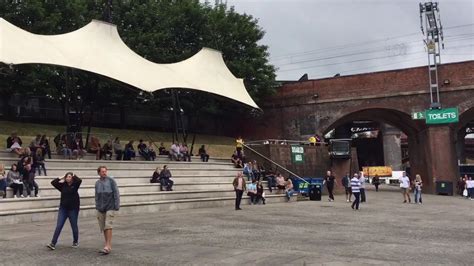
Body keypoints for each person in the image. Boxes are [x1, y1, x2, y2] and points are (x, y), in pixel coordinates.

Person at [47, 172, 82, 250]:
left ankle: (75, 241)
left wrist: (74, 175)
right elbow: (53, 182)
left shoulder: (75, 185)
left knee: (74, 225)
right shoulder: (63, 186)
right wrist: (61, 177)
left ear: (72, 178)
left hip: (73, 209)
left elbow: (79, 180)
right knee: (59, 225)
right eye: (67, 177)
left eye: (69, 177)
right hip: (63, 208)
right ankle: (53, 243)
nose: (68, 178)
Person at [95, 166, 120, 255]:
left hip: (110, 206)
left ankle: (108, 245)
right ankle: (107, 245)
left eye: (105, 171)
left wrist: (117, 205)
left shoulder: (111, 181)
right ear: (99, 173)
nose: (104, 173)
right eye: (102, 172)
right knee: (104, 227)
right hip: (101, 208)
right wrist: (97, 206)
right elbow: (96, 196)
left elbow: (116, 192)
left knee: (108, 226)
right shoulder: (97, 183)